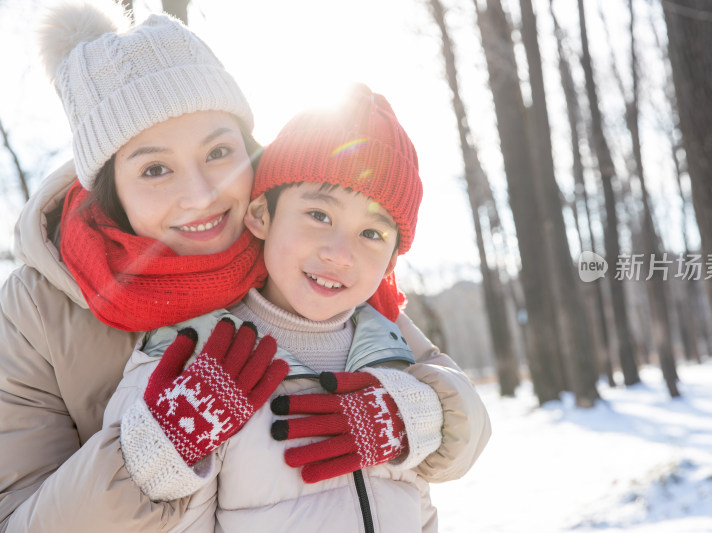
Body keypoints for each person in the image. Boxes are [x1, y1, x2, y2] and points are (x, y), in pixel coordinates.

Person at [0, 3, 459, 531]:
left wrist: (417, 417)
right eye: (155, 168)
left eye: (219, 152)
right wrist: (150, 456)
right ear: (110, 191)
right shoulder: (37, 310)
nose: (201, 195)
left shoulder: (298, 253)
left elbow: (448, 403)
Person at [104, 84, 491, 532]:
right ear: (261, 216)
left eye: (372, 234)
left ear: (392, 262)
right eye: (319, 216)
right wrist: (163, 455)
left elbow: (420, 501)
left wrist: (420, 419)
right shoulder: (197, 352)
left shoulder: (393, 350)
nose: (340, 254)